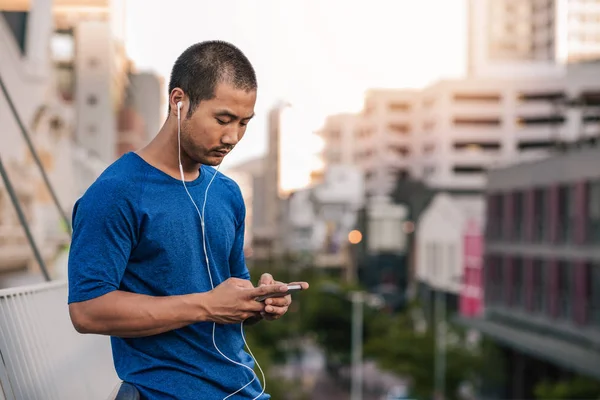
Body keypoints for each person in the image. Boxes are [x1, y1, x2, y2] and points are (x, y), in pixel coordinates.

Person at [67, 40, 309, 400]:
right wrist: (207, 304)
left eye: (244, 123)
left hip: (246, 391)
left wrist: (258, 303)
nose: (233, 137)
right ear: (178, 101)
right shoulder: (115, 193)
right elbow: (86, 311)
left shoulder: (227, 193)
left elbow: (230, 297)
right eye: (223, 119)